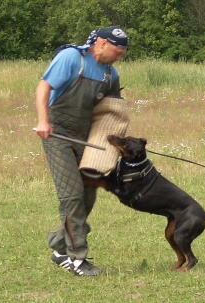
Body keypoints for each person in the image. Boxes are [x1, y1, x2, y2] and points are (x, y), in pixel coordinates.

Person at [35, 26, 128, 276]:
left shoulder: (111, 74)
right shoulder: (71, 58)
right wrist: (43, 121)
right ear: (101, 43)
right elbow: (43, 87)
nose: (119, 57)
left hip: (86, 136)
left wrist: (117, 141)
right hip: (56, 133)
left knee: (88, 196)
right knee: (71, 196)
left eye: (122, 53)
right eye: (118, 52)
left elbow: (112, 113)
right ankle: (76, 259)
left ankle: (59, 247)